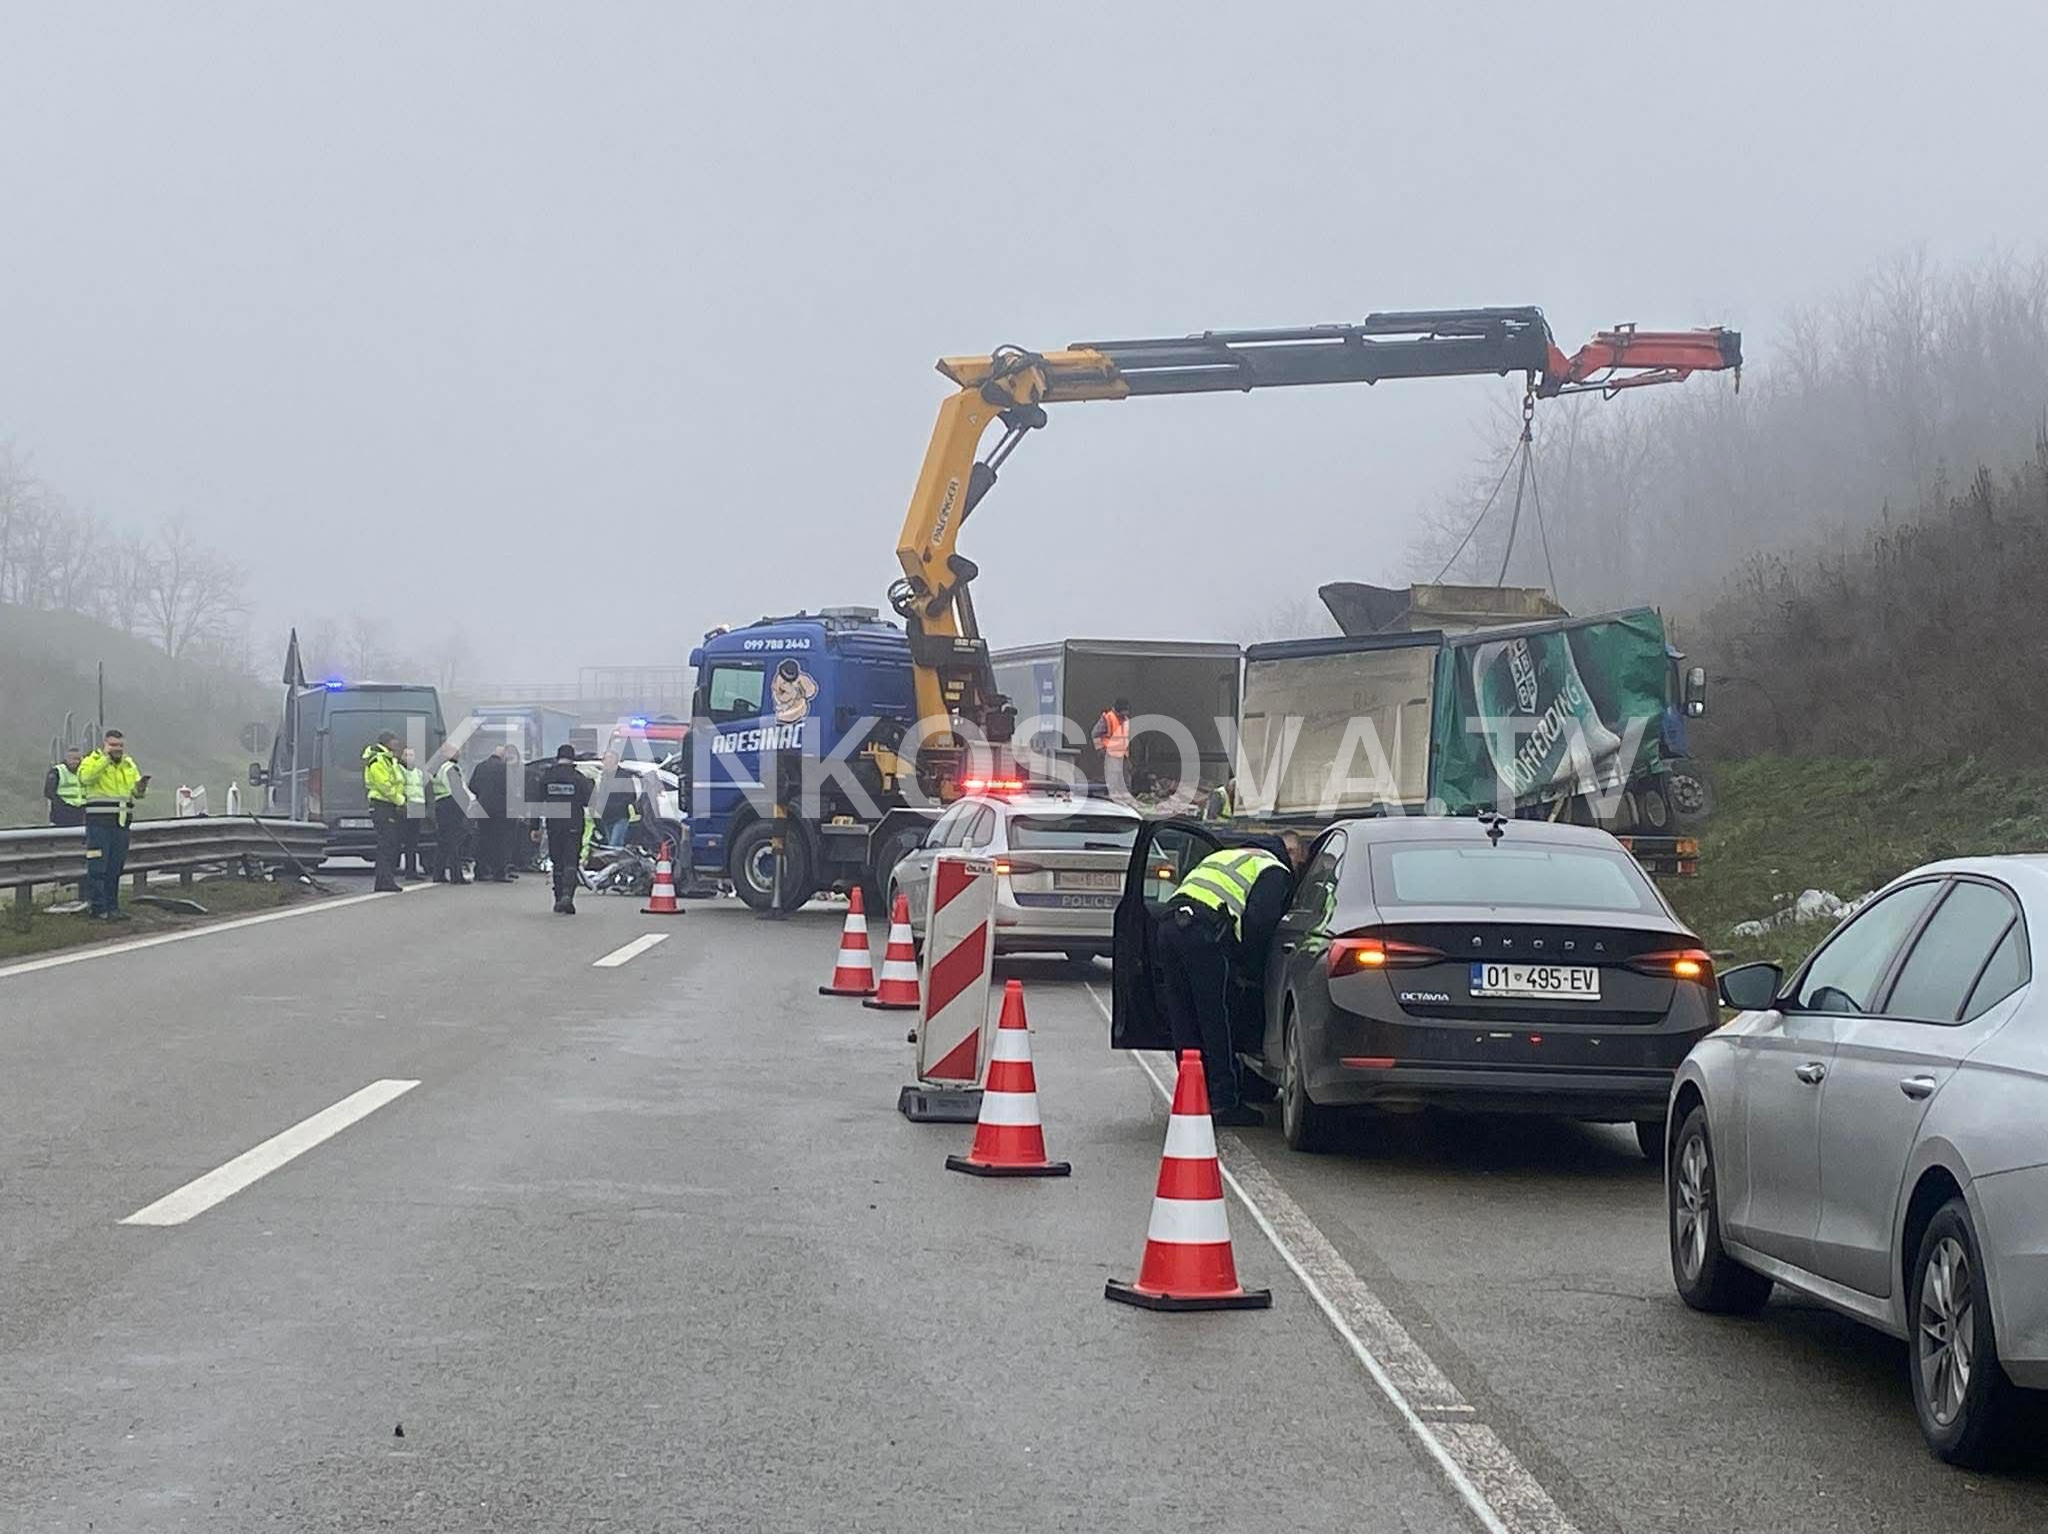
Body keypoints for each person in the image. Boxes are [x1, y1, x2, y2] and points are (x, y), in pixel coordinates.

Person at [1155, 834, 1304, 1126]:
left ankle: (1191, 1096)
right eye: (1299, 861)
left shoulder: (1226, 855)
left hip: (1170, 924)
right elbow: (1260, 923)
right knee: (1214, 1017)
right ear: (1290, 853)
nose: (1296, 869)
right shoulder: (1273, 868)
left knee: (1184, 1017)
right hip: (1202, 931)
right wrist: (1250, 968)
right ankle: (1224, 1102)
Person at [77, 729, 150, 920]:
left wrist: (141, 787)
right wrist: (106, 760)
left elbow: (136, 794)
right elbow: (86, 778)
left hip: (121, 824)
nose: (117, 749)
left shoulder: (128, 764)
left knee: (115, 868)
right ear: (105, 745)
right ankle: (98, 908)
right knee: (97, 868)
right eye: (113, 745)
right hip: (98, 825)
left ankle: (113, 907)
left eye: (120, 746)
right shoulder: (91, 760)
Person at [538, 745, 592, 914]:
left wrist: (534, 826)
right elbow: (589, 801)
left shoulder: (548, 777)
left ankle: (558, 897)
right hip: (573, 823)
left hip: (554, 824)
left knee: (557, 861)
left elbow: (537, 801)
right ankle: (568, 896)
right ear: (573, 758)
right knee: (571, 860)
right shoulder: (579, 778)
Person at [362, 731, 407, 893]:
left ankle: (385, 879)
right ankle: (384, 880)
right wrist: (401, 800)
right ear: (387, 742)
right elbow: (384, 785)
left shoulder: (389, 758)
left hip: (389, 805)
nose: (397, 743)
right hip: (382, 805)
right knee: (387, 843)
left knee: (390, 843)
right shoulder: (379, 759)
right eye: (394, 740)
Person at [468, 747, 511, 882]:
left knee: (483, 840)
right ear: (503, 756)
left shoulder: (480, 767)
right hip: (501, 810)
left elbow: (472, 786)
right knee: (500, 841)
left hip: (483, 808)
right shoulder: (505, 769)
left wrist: (483, 796)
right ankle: (499, 873)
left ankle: (480, 871)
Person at [430, 751, 469, 884]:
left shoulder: (439, 767)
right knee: (454, 841)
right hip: (451, 804)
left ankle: (438, 873)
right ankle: (456, 875)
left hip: (441, 804)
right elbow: (457, 788)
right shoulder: (450, 768)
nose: (459, 753)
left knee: (443, 841)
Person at [398, 746, 428, 880]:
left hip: (417, 807)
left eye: (411, 755)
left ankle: (412, 871)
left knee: (413, 842)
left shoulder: (418, 772)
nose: (409, 757)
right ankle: (405, 870)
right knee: (403, 841)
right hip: (405, 807)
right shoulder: (399, 770)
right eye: (406, 755)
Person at [45, 745, 86, 827]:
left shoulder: (85, 771)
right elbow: (49, 792)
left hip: (82, 814)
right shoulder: (57, 771)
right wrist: (62, 806)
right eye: (72, 759)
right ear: (66, 759)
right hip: (62, 814)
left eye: (78, 759)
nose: (75, 762)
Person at [1092, 697, 1132, 774]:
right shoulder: (1108, 718)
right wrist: (1100, 749)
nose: (1126, 713)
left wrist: (1127, 759)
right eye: (1125, 710)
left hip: (1122, 757)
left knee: (1126, 782)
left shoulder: (1126, 720)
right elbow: (1095, 734)